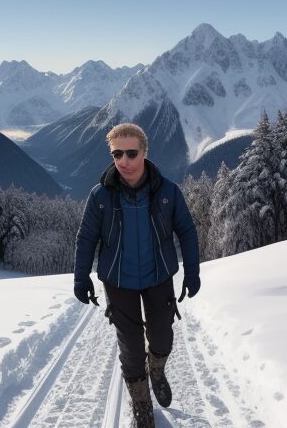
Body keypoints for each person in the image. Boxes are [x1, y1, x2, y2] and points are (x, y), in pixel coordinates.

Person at [73, 123, 201, 428]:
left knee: (162, 337)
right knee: (130, 348)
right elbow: (86, 237)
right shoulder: (100, 195)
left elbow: (187, 230)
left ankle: (156, 367)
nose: (124, 160)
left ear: (144, 152)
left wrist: (192, 272)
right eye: (117, 153)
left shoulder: (167, 191)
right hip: (118, 282)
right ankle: (141, 402)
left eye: (132, 153)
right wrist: (81, 277)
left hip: (158, 277)